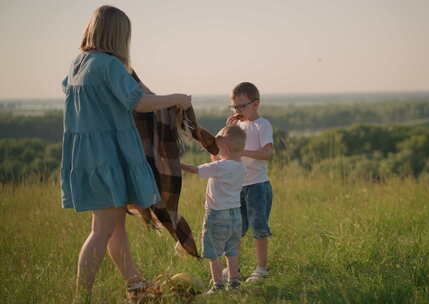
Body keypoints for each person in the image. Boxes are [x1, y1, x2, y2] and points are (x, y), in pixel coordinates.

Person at [60, 5, 193, 302]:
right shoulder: (109, 65)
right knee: (101, 231)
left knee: (114, 227)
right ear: (119, 35)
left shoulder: (79, 63)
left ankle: (136, 287)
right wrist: (178, 98)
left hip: (88, 157)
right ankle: (81, 297)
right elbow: (138, 102)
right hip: (109, 156)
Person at [180, 125, 247, 294]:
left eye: (218, 142)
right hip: (235, 215)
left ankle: (217, 285)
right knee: (231, 250)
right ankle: (234, 283)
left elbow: (196, 170)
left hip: (217, 215)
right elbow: (220, 163)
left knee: (212, 252)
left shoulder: (220, 168)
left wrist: (176, 164)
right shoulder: (241, 166)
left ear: (225, 147)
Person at [226, 82, 274, 282]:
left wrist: (241, 151)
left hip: (257, 186)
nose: (238, 111)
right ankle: (233, 270)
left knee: (258, 228)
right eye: (235, 107)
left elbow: (267, 153)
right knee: (235, 229)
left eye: (242, 106)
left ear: (256, 104)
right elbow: (225, 152)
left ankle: (261, 269)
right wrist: (228, 129)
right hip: (239, 185)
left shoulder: (262, 125)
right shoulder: (238, 125)